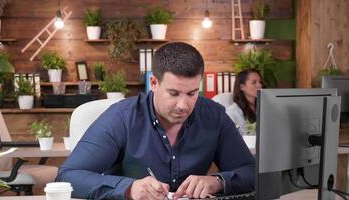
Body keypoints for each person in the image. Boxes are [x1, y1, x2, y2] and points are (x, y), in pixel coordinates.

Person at [56, 42, 255, 199]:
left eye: (192, 93)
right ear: (154, 83)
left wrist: (217, 182)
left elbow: (251, 172)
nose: (183, 105)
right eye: (174, 93)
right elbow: (68, 176)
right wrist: (129, 188)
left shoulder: (215, 116)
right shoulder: (120, 118)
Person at [226, 69, 263, 135]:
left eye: (260, 82)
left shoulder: (263, 108)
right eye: (254, 82)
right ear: (242, 87)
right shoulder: (232, 112)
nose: (259, 85)